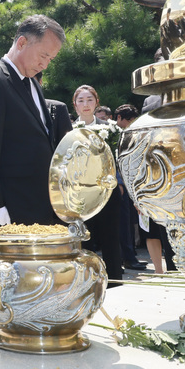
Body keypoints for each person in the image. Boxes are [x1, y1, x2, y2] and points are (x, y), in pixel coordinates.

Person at [0, 15, 66, 228]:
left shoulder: (33, 84)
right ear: (22, 42)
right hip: (10, 209)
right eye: (43, 55)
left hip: (41, 205)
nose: (45, 64)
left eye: (50, 59)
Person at [72, 85, 123, 286]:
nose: (85, 104)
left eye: (89, 100)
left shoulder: (110, 128)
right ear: (75, 105)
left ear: (96, 103)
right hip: (81, 192)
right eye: (81, 100)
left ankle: (114, 280)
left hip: (106, 189)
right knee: (83, 237)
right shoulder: (68, 129)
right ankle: (85, 281)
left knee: (111, 236)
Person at [114, 104, 148, 271]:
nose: (131, 125)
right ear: (119, 118)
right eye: (129, 121)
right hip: (118, 184)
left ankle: (129, 257)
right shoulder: (113, 133)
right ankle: (125, 257)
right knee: (121, 224)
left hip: (130, 184)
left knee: (127, 224)